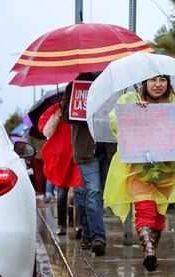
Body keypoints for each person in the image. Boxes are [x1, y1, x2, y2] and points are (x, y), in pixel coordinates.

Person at [103, 75, 175, 271]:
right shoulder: (129, 100)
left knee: (158, 212)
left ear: (168, 83)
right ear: (144, 83)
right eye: (153, 80)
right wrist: (133, 112)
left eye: (162, 80)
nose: (158, 84)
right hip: (137, 169)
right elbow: (115, 122)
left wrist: (170, 125)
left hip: (167, 170)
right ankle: (149, 252)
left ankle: (151, 250)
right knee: (144, 207)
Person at [61, 73, 116, 256]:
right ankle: (98, 238)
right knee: (93, 192)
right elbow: (66, 117)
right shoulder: (74, 84)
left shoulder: (110, 83)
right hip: (86, 150)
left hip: (107, 148)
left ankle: (86, 233)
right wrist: (78, 105)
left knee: (97, 196)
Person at [38, 103, 84, 237]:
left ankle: (79, 225)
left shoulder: (79, 107)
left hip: (77, 153)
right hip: (61, 157)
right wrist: (57, 116)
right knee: (62, 191)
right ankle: (61, 225)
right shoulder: (55, 109)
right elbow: (46, 132)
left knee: (79, 190)